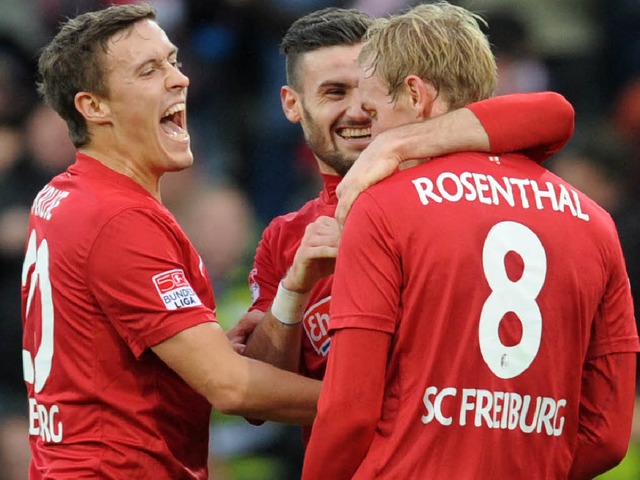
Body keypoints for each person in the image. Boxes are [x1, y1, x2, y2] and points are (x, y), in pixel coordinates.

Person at [301, 3, 640, 479]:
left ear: (416, 95)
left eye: (374, 111)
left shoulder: (382, 209)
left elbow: (350, 411)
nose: (368, 132)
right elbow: (606, 435)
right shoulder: (595, 220)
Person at [239, 5, 574, 449]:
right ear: (291, 104)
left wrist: (398, 144)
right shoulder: (288, 237)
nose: (358, 111)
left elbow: (553, 112)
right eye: (334, 92)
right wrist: (293, 291)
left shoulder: (454, 194)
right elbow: (259, 399)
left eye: (368, 92)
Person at [22, 4, 322, 479]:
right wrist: (387, 403)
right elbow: (231, 389)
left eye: (173, 60)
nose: (179, 79)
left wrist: (205, 345)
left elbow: (111, 351)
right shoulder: (119, 217)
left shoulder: (63, 194)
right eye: (149, 70)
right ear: (93, 106)